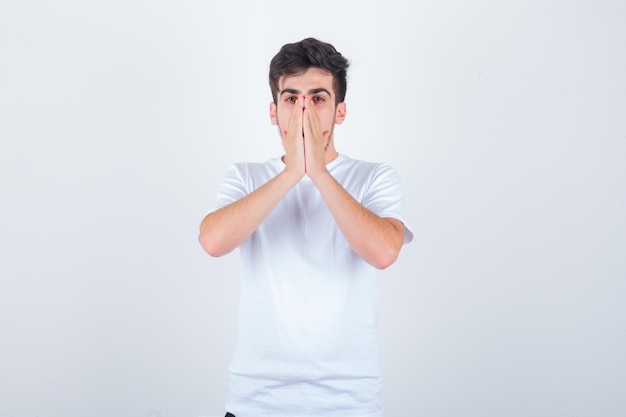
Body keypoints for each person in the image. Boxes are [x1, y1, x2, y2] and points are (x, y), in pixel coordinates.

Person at [199, 37, 414, 417]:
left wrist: (317, 171)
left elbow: (383, 253)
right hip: (255, 401)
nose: (304, 111)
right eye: (291, 98)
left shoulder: (374, 177)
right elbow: (213, 242)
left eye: (317, 98)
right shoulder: (246, 177)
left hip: (348, 403)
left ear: (339, 111)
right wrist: (292, 172)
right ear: (273, 111)